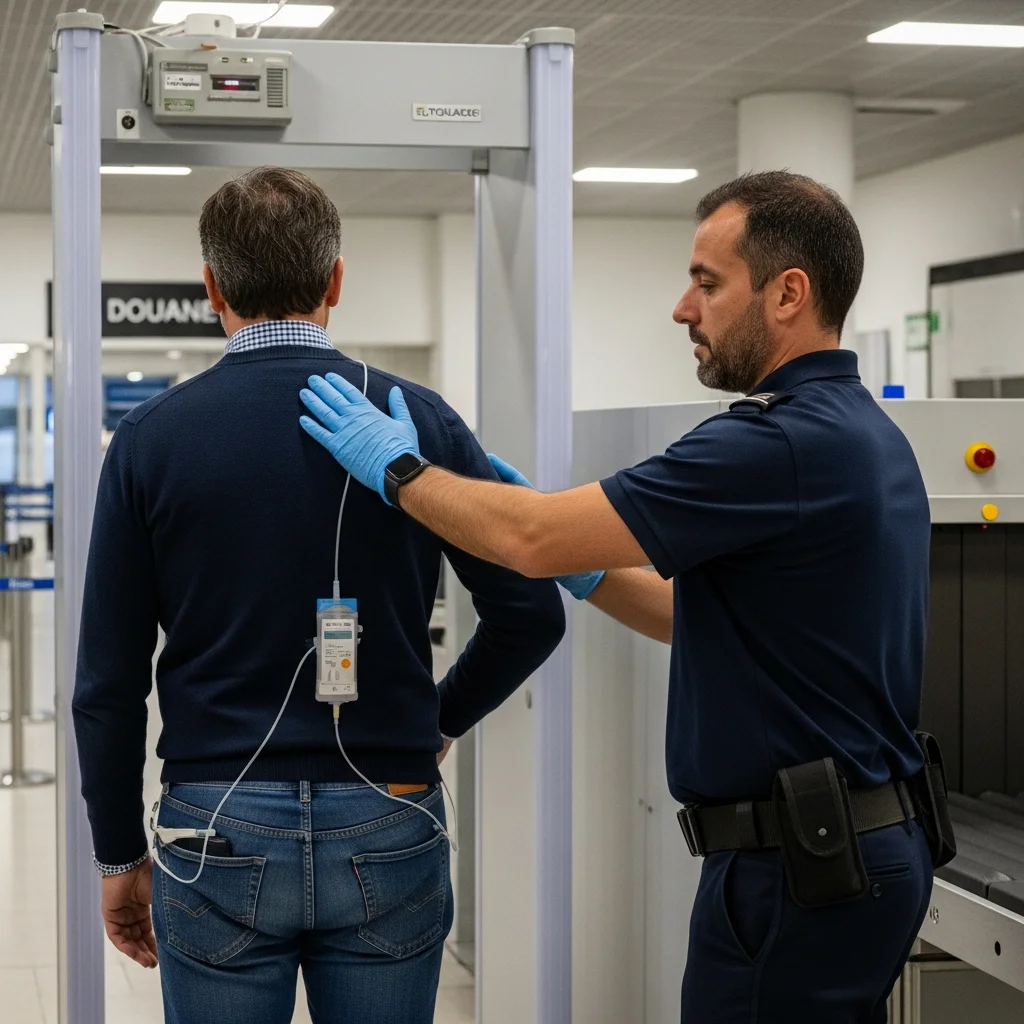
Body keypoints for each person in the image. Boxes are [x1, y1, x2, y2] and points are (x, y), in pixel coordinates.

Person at [297, 170, 936, 1022]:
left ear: (789, 294)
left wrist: (404, 472)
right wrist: (587, 573)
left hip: (800, 867)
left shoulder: (777, 444)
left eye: (707, 283)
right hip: (848, 850)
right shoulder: (863, 434)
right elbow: (706, 620)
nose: (682, 307)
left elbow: (529, 535)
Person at [72, 166, 565, 1024]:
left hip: (214, 823)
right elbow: (531, 613)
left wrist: (119, 857)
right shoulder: (420, 422)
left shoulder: (150, 441)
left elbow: (108, 685)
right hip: (390, 810)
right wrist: (438, 721)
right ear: (336, 280)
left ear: (211, 288)